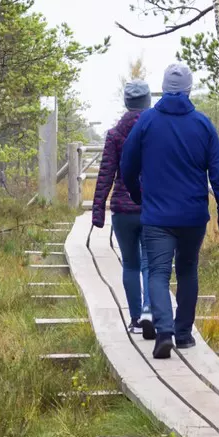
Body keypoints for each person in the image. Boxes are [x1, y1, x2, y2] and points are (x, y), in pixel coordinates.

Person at [118, 62, 219, 359]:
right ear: (188, 89)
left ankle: (164, 332)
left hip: (157, 216)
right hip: (193, 215)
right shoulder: (202, 124)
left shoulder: (147, 121)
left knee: (157, 272)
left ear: (164, 88)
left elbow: (127, 163)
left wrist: (135, 193)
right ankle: (183, 335)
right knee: (187, 270)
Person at [89, 78, 153, 336]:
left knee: (130, 265)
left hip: (123, 210)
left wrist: (97, 211)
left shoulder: (115, 134)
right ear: (147, 102)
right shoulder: (154, 131)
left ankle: (136, 320)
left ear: (127, 103)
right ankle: (150, 309)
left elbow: (106, 173)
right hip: (152, 208)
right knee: (151, 263)